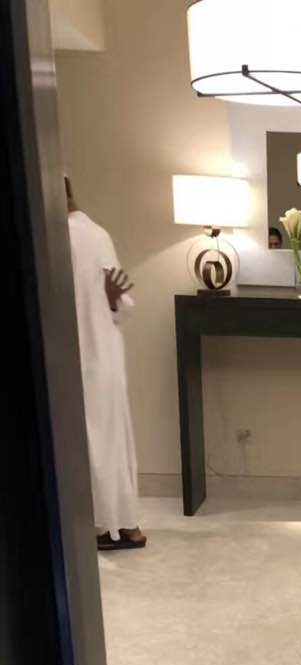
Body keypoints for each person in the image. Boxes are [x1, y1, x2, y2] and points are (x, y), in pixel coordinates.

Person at [66, 178, 146, 551]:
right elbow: (123, 303)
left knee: (96, 438)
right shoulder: (96, 235)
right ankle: (121, 524)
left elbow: (118, 297)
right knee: (108, 438)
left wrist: (111, 299)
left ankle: (109, 524)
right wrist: (112, 300)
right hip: (101, 354)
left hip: (84, 353)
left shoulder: (70, 236)